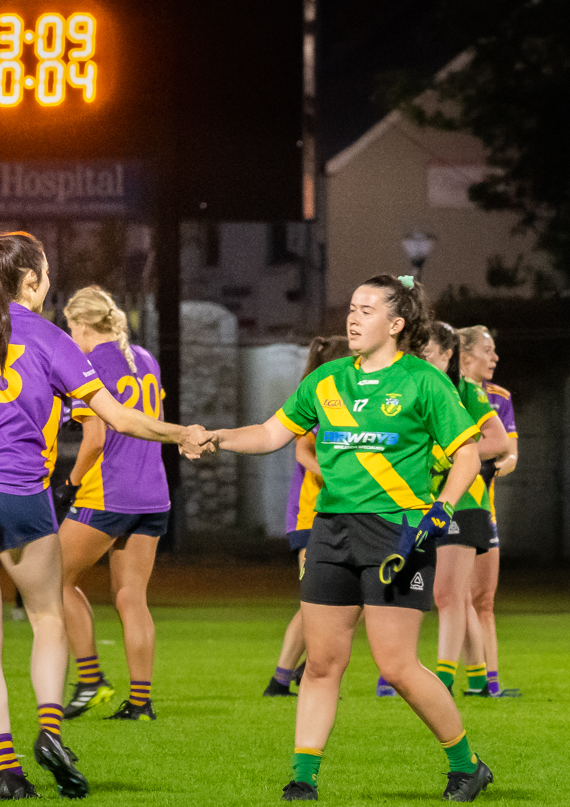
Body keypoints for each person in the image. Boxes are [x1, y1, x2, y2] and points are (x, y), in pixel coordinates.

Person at [0, 232, 212, 801]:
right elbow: (116, 417)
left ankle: (9, 772)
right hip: (17, 494)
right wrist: (181, 432)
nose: (48, 283)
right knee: (48, 616)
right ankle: (49, 733)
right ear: (29, 282)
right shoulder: (50, 338)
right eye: (44, 274)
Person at [210, 275, 493, 803]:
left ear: (396, 323)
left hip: (401, 533)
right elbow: (273, 433)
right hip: (332, 530)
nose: (353, 317)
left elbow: (468, 455)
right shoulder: (327, 380)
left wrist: (441, 511)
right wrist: (216, 438)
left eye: (367, 309)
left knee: (397, 666)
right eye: (352, 307)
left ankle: (466, 764)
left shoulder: (423, 382)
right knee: (320, 663)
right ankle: (303, 778)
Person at [54, 286, 170, 722]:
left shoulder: (88, 364)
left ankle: (90, 679)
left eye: (70, 327)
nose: (70, 335)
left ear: (83, 325)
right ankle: (140, 703)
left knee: (53, 579)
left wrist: (71, 481)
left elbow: (96, 437)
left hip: (110, 492)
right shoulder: (147, 360)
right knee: (131, 598)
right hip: (154, 493)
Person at [421, 322, 508, 698]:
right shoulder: (414, 391)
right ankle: (478, 681)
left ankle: (442, 679)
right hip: (424, 505)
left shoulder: (465, 391)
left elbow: (499, 442)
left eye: (426, 354)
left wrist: (448, 459)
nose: (418, 361)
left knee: (447, 594)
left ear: (447, 355)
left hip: (464, 502)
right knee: (451, 596)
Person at [264, 335, 351, 698]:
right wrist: (337, 477)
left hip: (341, 512)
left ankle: (306, 669)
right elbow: (303, 451)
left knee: (347, 600)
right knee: (315, 602)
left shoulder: (348, 401)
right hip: (311, 517)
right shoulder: (319, 399)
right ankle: (281, 680)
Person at [458, 325, 520, 697]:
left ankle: (488, 685)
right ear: (464, 356)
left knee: (482, 599)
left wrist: (502, 460)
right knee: (446, 599)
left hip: (482, 508)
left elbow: (510, 452)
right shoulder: (442, 393)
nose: (495, 357)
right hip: (437, 508)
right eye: (488, 350)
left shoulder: (499, 398)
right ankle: (393, 681)